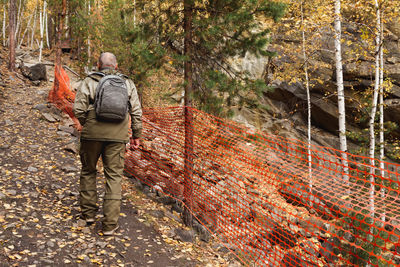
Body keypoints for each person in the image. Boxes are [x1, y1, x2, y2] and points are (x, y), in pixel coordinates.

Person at [73, 52, 142, 235]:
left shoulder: (89, 81)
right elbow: (136, 111)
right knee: (114, 177)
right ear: (116, 66)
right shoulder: (127, 83)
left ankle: (88, 215)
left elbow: (78, 108)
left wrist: (88, 123)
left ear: (98, 65)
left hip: (92, 134)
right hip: (118, 135)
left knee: (88, 171)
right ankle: (110, 225)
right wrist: (136, 134)